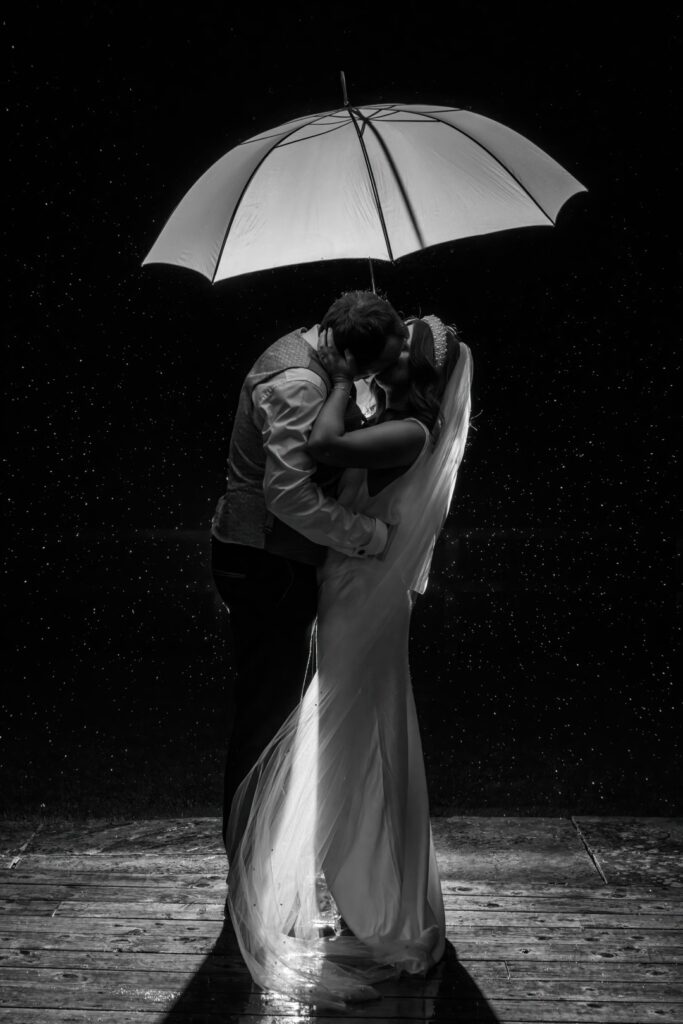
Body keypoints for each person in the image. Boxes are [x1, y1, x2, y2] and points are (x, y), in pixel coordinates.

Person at [225, 312, 474, 1010]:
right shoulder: (385, 414)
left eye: (405, 345)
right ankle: (357, 889)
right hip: (349, 586)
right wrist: (347, 377)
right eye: (391, 339)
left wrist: (338, 375)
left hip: (361, 592)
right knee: (346, 733)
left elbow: (326, 446)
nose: (394, 349)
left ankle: (380, 902)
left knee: (355, 733)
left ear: (416, 369)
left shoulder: (409, 429)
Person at [210, 291, 408, 860]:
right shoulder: (300, 383)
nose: (378, 376)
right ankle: (248, 872)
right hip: (266, 563)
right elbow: (290, 496)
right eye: (371, 367)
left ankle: (260, 862)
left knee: (276, 713)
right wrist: (372, 538)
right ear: (343, 349)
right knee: (266, 718)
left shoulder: (321, 360)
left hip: (271, 559)